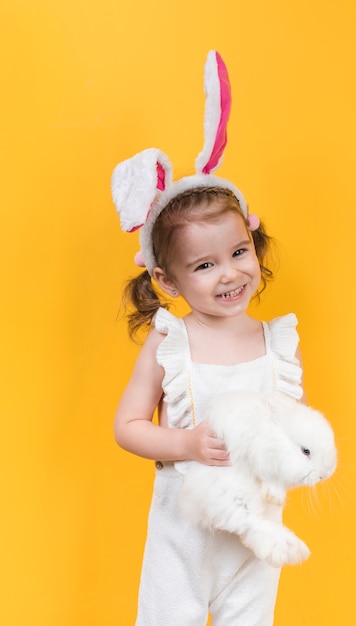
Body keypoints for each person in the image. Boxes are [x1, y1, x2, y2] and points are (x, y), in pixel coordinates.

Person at [112, 51, 304, 626]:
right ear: (167, 280)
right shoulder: (170, 344)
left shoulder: (279, 345)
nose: (230, 274)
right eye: (205, 266)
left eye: (239, 252)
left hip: (254, 539)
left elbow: (289, 432)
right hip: (183, 538)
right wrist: (187, 445)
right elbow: (127, 427)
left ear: (253, 242)